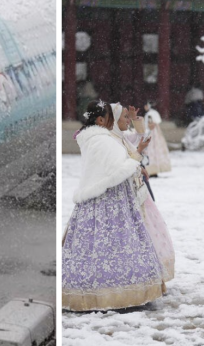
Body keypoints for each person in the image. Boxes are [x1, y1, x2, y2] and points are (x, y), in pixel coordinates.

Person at [62, 100, 164, 311]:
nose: (115, 122)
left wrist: (136, 152)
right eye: (110, 116)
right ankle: (116, 294)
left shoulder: (97, 137)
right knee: (115, 242)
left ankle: (95, 293)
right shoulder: (101, 140)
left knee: (96, 245)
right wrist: (137, 155)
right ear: (100, 120)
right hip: (111, 199)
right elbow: (118, 170)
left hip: (100, 198)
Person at [110, 102, 175, 282]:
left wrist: (134, 120)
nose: (127, 120)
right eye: (124, 117)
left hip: (136, 184)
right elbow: (131, 154)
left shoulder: (121, 136)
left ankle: (149, 270)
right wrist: (137, 162)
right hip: (123, 188)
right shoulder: (111, 139)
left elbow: (141, 139)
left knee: (145, 225)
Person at [143, 101, 172, 177]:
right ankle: (156, 169)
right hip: (156, 134)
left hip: (151, 134)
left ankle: (152, 170)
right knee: (156, 151)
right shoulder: (154, 113)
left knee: (151, 151)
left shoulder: (149, 114)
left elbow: (151, 125)